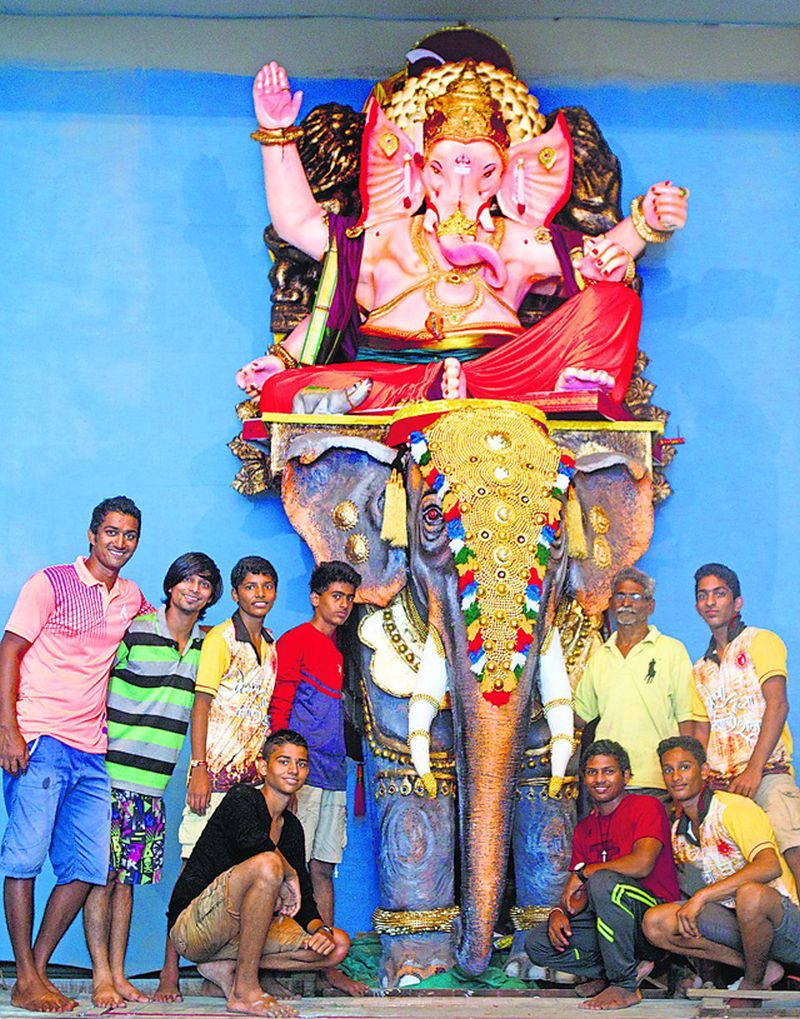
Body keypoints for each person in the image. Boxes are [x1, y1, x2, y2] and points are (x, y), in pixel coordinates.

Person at [237, 61, 689, 413]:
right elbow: (296, 222)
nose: (460, 190)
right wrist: (277, 134)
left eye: (484, 172)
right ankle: (428, 391)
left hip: (496, 375)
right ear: (415, 171)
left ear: (509, 178)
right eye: (442, 169)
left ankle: (500, 391)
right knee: (282, 393)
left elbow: (599, 261)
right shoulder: (382, 237)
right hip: (392, 374)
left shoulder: (518, 241)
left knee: (617, 300)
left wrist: (645, 223)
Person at [0, 496, 147, 1014]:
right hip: (39, 739)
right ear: (91, 534)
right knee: (23, 861)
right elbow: (10, 649)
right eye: (111, 532)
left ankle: (33, 973)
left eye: (129, 535)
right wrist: (8, 729)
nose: (119, 542)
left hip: (92, 752)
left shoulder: (130, 596)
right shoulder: (50, 583)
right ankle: (25, 975)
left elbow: (161, 631)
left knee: (87, 868)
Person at [82, 552, 222, 1009]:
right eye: (186, 579)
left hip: (153, 788)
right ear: (171, 584)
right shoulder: (137, 629)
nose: (194, 589)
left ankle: (120, 974)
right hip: (110, 775)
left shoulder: (205, 647)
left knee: (126, 883)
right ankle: (100, 975)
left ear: (211, 595)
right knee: (101, 879)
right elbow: (92, 678)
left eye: (204, 583)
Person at [157, 554, 280, 1001]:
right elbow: (202, 704)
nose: (260, 594)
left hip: (249, 786)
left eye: (267, 586)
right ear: (235, 593)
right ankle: (169, 972)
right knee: (193, 871)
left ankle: (229, 970)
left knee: (241, 872)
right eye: (251, 586)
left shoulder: (271, 644)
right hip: (215, 777)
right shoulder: (219, 641)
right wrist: (199, 768)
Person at [167, 729, 354, 1019]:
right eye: (284, 761)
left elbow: (304, 901)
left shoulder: (291, 827)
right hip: (193, 928)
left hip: (234, 938)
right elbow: (252, 842)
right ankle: (245, 990)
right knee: (268, 865)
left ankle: (222, 971)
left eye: (301, 763)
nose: (294, 770)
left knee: (337, 944)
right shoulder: (241, 799)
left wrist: (319, 930)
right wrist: (288, 874)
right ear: (264, 767)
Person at [269, 561, 366, 997]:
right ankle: (265, 968)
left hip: (333, 773)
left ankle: (327, 966)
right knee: (281, 868)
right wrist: (281, 781)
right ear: (316, 598)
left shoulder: (342, 652)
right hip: (299, 777)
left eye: (348, 598)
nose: (343, 605)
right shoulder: (296, 641)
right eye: (336, 596)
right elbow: (280, 707)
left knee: (322, 867)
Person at [524, 739, 680, 1010]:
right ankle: (617, 971)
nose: (600, 779)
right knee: (537, 943)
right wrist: (559, 912)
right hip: (608, 921)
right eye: (592, 772)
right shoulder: (585, 829)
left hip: (652, 921)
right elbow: (579, 893)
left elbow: (642, 864)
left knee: (605, 882)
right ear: (584, 778)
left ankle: (624, 985)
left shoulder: (646, 807)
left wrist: (587, 873)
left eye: (609, 771)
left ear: (626, 776)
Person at [643, 736, 800, 998]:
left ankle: (751, 986)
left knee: (750, 894)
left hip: (784, 925)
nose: (676, 776)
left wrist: (703, 897)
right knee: (656, 922)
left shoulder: (733, 807)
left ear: (704, 771)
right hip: (740, 927)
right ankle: (760, 969)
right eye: (668, 769)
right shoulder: (678, 832)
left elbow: (769, 865)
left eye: (685, 767)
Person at [690, 563, 800, 888]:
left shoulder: (760, 642)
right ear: (697, 606)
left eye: (719, 594)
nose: (710, 602)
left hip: (766, 774)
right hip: (722, 787)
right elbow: (700, 732)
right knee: (737, 870)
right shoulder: (700, 670)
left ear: (737, 602)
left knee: (791, 849)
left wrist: (753, 770)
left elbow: (778, 704)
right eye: (702, 596)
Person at [574, 567, 694, 800]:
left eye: (635, 596)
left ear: (651, 606)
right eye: (620, 596)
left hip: (657, 781)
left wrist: (684, 781)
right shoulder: (599, 656)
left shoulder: (671, 650)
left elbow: (686, 718)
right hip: (608, 784)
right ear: (611, 603)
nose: (626, 602)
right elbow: (581, 716)